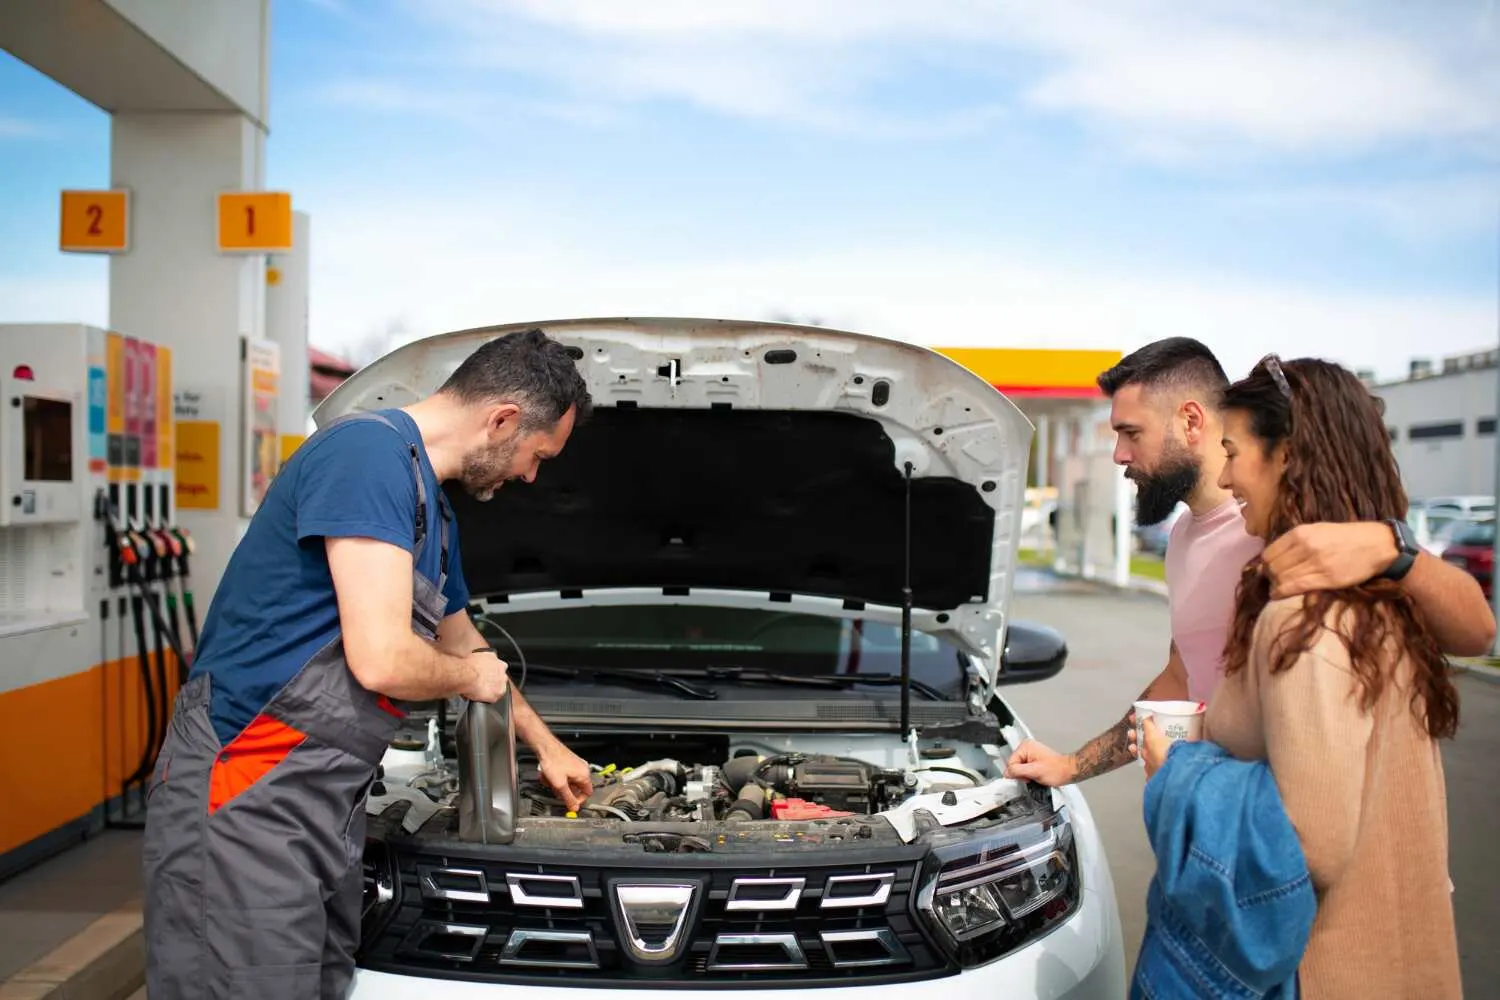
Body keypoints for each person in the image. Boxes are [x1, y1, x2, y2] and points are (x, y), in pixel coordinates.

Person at [142, 328, 596, 999]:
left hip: (320, 802)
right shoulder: (365, 455)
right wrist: (470, 679)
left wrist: (549, 748)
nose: (531, 475)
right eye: (536, 455)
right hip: (247, 787)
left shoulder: (429, 510)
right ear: (501, 419)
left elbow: (469, 648)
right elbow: (383, 658)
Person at [1006, 336, 1493, 786]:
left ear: (1191, 421)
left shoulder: (1291, 526)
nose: (1118, 454)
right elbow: (1181, 677)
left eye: (1131, 433)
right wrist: (1073, 765)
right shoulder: (1181, 537)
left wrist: (1393, 547)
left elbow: (1475, 632)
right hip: (1229, 839)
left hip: (1305, 845)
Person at [1138, 355, 1462, 998]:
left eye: (1234, 452)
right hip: (1398, 949)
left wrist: (1177, 771)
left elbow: (1310, 840)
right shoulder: (1380, 594)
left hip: (1322, 967)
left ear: (1285, 456)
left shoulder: (1302, 620)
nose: (1227, 476)